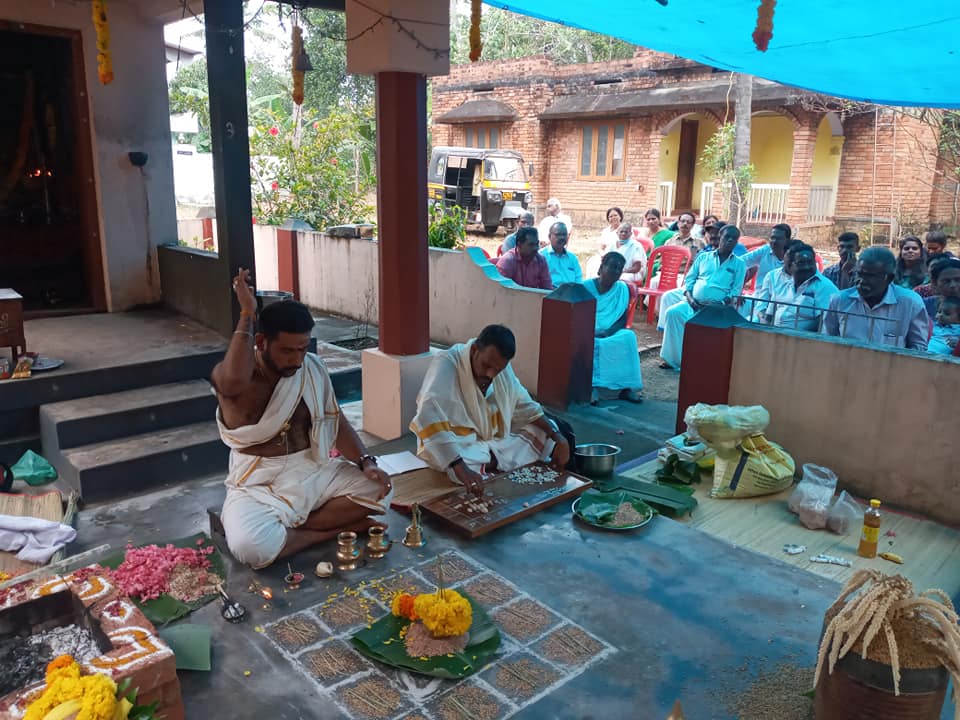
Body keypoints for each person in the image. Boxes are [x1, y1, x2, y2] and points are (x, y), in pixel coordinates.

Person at [213, 275, 392, 569]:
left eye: (303, 348)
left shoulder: (312, 368)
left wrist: (366, 462)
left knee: (383, 487)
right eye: (287, 351)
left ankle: (291, 532)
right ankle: (327, 531)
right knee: (251, 547)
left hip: (313, 469)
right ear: (260, 342)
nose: (297, 360)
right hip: (259, 482)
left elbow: (336, 422)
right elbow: (231, 378)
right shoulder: (240, 386)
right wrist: (247, 313)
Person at [410, 325, 571, 496]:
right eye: (486, 365)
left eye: (498, 370)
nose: (491, 374)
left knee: (545, 429)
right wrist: (460, 467)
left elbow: (524, 406)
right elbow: (428, 415)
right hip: (462, 444)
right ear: (474, 350)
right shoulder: (447, 363)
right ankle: (486, 463)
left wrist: (557, 436)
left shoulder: (500, 368)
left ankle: (490, 462)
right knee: (452, 461)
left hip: (493, 441)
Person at [659, 225, 747, 369]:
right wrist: (691, 299)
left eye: (733, 238)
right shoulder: (704, 257)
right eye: (726, 237)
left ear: (737, 242)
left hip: (718, 308)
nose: (729, 240)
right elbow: (689, 281)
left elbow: (736, 292)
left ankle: (701, 362)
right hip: (694, 303)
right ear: (720, 237)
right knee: (672, 313)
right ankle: (673, 360)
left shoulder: (739, 264)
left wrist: (719, 303)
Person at [822, 246, 929, 351]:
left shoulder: (910, 303)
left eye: (870, 276)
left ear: (889, 278)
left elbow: (918, 348)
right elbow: (826, 341)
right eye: (859, 274)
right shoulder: (839, 300)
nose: (861, 281)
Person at [583, 253, 644, 404]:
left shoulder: (622, 289)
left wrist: (607, 332)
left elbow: (622, 319)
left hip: (609, 331)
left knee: (628, 337)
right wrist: (593, 332)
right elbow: (579, 317)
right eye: (612, 266)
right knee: (596, 343)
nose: (616, 271)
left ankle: (625, 389)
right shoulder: (585, 287)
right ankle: (592, 388)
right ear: (601, 267)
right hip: (587, 331)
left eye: (619, 268)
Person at [760, 242, 839, 331]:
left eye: (810, 262)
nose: (806, 267)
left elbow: (824, 324)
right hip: (774, 337)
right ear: (789, 266)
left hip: (803, 341)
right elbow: (769, 315)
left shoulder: (825, 287)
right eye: (801, 263)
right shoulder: (783, 284)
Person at [741, 223, 792, 288]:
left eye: (779, 238)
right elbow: (741, 261)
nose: (774, 241)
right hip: (759, 295)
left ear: (787, 240)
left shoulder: (793, 257)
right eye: (772, 238)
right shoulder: (765, 249)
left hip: (781, 296)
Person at [540, 222, 582, 287]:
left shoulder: (573, 258)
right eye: (558, 235)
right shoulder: (541, 256)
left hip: (570, 295)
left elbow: (579, 281)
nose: (562, 237)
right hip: (548, 294)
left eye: (564, 234)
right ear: (549, 236)